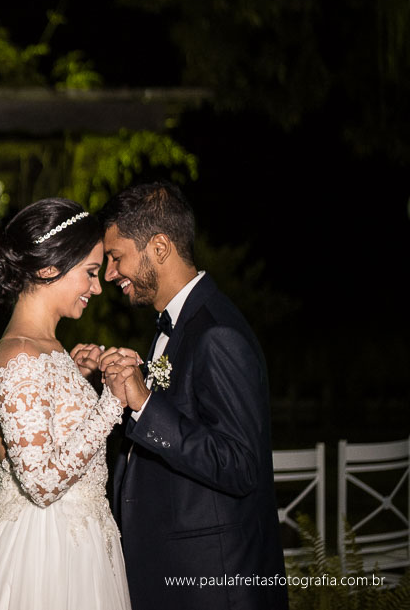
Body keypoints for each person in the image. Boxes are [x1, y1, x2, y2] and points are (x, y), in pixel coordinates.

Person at [96, 182, 288, 610]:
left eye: (116, 257)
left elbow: (240, 465)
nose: (109, 273)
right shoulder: (176, 325)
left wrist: (146, 404)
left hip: (212, 583)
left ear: (159, 247)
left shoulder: (217, 332)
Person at [0, 197, 133, 610]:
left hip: (76, 541)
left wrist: (73, 377)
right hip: (45, 553)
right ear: (50, 268)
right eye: (90, 272)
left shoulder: (43, 348)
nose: (97, 287)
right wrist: (111, 404)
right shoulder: (19, 353)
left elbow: (40, 436)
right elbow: (40, 484)